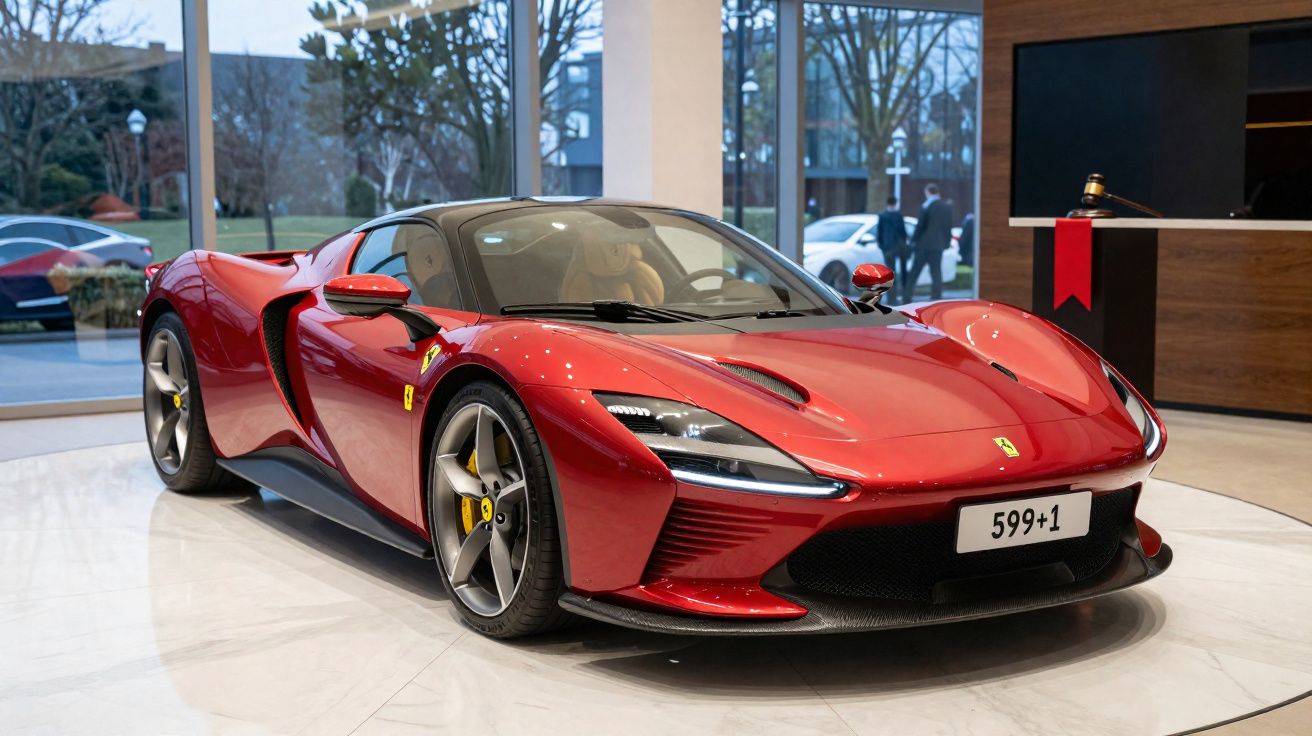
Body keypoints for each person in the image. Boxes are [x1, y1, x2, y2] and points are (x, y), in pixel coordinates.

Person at [907, 183, 954, 302]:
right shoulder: (946, 207)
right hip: (938, 246)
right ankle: (936, 296)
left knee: (915, 272)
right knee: (936, 272)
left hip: (923, 246)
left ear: (927, 192)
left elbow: (920, 226)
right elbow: (948, 227)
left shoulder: (926, 206)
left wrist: (913, 241)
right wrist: (947, 243)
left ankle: (907, 295)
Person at [874, 196, 909, 303]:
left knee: (890, 272)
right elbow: (903, 231)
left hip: (888, 247)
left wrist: (881, 245)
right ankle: (904, 296)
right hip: (898, 246)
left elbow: (879, 231)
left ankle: (892, 298)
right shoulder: (898, 215)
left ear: (887, 203)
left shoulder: (882, 215)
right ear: (895, 203)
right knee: (902, 271)